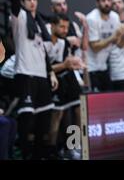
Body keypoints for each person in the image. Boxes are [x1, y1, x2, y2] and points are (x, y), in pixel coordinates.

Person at [10, 0, 58, 159]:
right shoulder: (19, 19)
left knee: (43, 120)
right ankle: (25, 153)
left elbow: (45, 53)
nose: (32, 2)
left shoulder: (41, 25)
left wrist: (51, 72)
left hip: (41, 75)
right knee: (27, 117)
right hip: (25, 73)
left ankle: (38, 154)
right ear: (23, 3)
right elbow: (12, 3)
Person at [44, 13, 85, 159]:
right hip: (50, 80)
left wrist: (74, 64)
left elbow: (67, 63)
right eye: (61, 26)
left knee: (79, 110)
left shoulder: (64, 43)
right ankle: (52, 150)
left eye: (67, 27)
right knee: (57, 116)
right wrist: (64, 65)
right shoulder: (43, 42)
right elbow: (43, 68)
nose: (65, 30)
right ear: (52, 26)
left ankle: (73, 146)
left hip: (67, 78)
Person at [86, 0, 124, 92]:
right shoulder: (92, 18)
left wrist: (123, 35)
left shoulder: (114, 17)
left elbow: (119, 45)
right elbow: (95, 47)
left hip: (104, 66)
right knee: (94, 102)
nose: (106, 3)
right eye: (103, 0)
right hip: (90, 67)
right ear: (97, 3)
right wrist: (113, 37)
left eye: (109, 0)